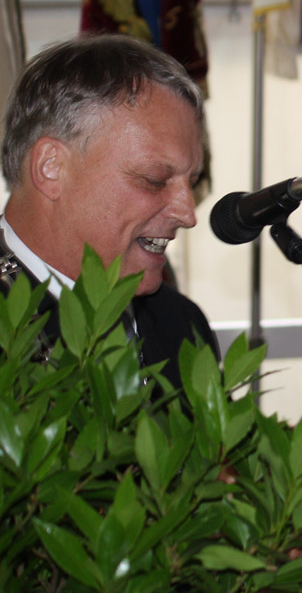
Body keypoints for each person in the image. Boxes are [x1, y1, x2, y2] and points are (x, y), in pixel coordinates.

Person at [0, 34, 216, 389]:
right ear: (51, 167)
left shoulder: (180, 324)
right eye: (154, 179)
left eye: (192, 182)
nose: (187, 214)